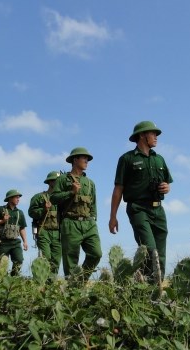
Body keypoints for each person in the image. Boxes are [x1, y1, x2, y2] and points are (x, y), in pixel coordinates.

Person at [109, 121, 173, 283]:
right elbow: (118, 189)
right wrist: (113, 216)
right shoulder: (127, 159)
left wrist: (166, 188)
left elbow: (167, 183)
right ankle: (144, 288)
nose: (156, 137)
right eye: (153, 134)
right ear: (142, 135)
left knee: (161, 253)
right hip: (138, 209)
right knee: (150, 250)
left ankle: (156, 289)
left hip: (158, 210)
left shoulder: (159, 159)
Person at [50, 147, 102, 282]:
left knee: (96, 253)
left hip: (89, 223)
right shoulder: (62, 179)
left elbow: (94, 204)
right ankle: (72, 290)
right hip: (70, 222)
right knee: (71, 259)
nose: (86, 161)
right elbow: (53, 199)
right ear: (75, 160)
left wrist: (93, 219)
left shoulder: (90, 183)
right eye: (83, 158)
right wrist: (71, 192)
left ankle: (80, 280)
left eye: (87, 159)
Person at [28, 171, 62, 276]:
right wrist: (43, 209)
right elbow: (31, 212)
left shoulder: (62, 198)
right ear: (50, 182)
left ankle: (52, 284)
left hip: (58, 233)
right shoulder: (39, 197)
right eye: (56, 181)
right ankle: (43, 283)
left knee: (56, 260)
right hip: (44, 231)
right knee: (46, 258)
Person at [0, 189, 29, 276]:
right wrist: (2, 221)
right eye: (16, 197)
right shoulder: (0, 209)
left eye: (19, 197)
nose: (18, 199)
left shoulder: (19, 213)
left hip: (15, 242)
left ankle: (13, 278)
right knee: (2, 264)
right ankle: (1, 280)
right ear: (10, 198)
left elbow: (22, 228)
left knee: (19, 260)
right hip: (3, 242)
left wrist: (25, 241)